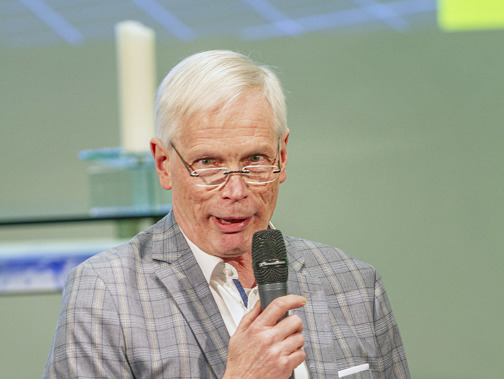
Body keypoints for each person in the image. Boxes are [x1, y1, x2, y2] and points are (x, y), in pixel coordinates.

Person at [44, 50, 410, 378]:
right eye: (208, 163)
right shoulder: (106, 293)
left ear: (282, 157)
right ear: (163, 164)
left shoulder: (354, 285)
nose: (235, 191)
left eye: (254, 160)